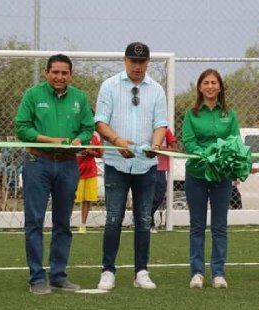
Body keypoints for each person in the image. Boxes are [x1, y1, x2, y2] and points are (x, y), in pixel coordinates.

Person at [15, 54, 95, 294]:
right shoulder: (33, 95)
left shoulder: (80, 98)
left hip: (69, 164)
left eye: (64, 73)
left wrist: (79, 140)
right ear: (47, 73)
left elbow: (88, 127)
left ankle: (58, 275)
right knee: (35, 221)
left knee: (63, 222)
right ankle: (37, 278)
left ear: (71, 75)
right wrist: (50, 140)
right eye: (55, 72)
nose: (60, 77)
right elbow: (22, 127)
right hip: (38, 162)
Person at [94, 42, 167, 290]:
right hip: (116, 163)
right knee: (113, 218)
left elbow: (161, 124)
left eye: (142, 62)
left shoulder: (156, 90)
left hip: (146, 165)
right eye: (133, 61)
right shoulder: (109, 86)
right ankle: (108, 271)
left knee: (144, 219)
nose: (137, 66)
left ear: (148, 63)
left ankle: (141, 272)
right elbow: (100, 122)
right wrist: (116, 140)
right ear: (125, 61)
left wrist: (154, 145)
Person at [182, 68, 240, 289]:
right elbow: (189, 141)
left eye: (214, 83)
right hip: (196, 174)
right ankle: (197, 273)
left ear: (220, 87)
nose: (210, 86)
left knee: (219, 226)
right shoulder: (191, 113)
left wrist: (221, 157)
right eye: (206, 83)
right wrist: (208, 155)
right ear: (199, 87)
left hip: (222, 176)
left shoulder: (230, 114)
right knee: (197, 226)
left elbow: (234, 141)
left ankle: (218, 273)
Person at [150, 127, 178, 233]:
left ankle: (145, 216)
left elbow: (175, 148)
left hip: (160, 168)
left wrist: (161, 149)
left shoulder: (165, 130)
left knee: (159, 196)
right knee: (147, 195)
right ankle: (149, 222)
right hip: (144, 166)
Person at [76, 131, 103, 234]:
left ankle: (83, 225)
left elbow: (100, 154)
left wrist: (88, 151)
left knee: (86, 200)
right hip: (73, 170)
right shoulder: (73, 131)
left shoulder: (95, 135)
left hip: (89, 171)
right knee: (67, 198)